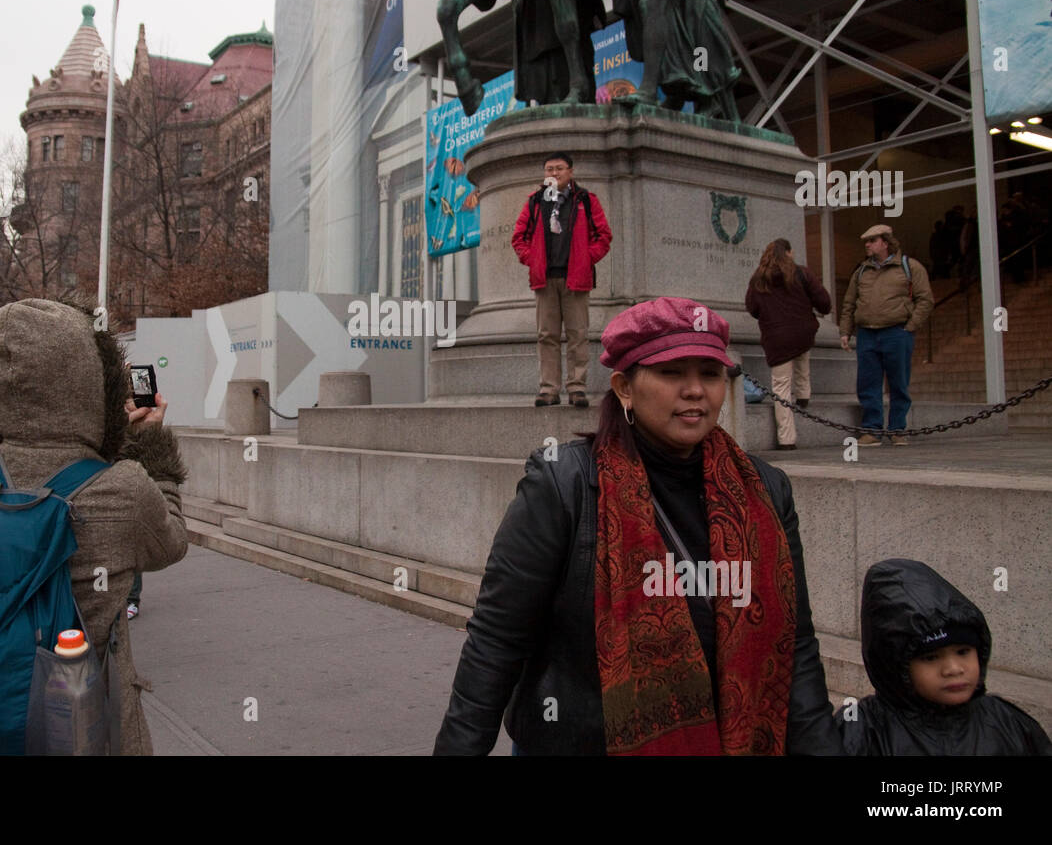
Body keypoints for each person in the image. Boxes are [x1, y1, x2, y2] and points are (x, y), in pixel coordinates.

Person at [433, 297, 839, 755]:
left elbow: (796, 644)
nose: (695, 391)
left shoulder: (767, 489)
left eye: (709, 374)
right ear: (625, 387)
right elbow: (496, 640)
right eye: (670, 373)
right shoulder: (563, 485)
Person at [0, 299, 190, 754]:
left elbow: (23, 462)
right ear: (97, 382)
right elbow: (170, 544)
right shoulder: (125, 487)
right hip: (94, 721)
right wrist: (143, 441)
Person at [839, 559, 1051, 755]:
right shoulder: (862, 731)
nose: (953, 669)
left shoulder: (1007, 722)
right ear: (894, 666)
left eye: (963, 652)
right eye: (930, 657)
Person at [511, 152, 613, 408]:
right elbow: (518, 237)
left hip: (575, 278)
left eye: (559, 168)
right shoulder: (535, 202)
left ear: (571, 172)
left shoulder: (586, 200)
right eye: (549, 169)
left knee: (578, 334)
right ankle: (549, 389)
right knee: (547, 335)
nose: (554, 173)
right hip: (545, 279)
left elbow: (603, 235)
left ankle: (577, 387)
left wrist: (586, 259)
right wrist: (532, 259)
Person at [839, 224, 933, 447]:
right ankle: (872, 429)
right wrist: (845, 331)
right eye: (866, 241)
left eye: (872, 241)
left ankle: (897, 429)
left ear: (885, 242)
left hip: (896, 332)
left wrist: (910, 326)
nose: (867, 245)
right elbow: (849, 303)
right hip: (867, 334)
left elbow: (925, 299)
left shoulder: (909, 267)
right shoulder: (861, 271)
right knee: (867, 383)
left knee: (898, 382)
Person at [745, 238, 831, 450]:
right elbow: (824, 302)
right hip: (802, 332)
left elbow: (752, 308)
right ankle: (803, 395)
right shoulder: (801, 273)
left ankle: (787, 439)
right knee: (802, 356)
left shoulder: (759, 278)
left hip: (777, 337)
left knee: (781, 387)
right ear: (789, 253)